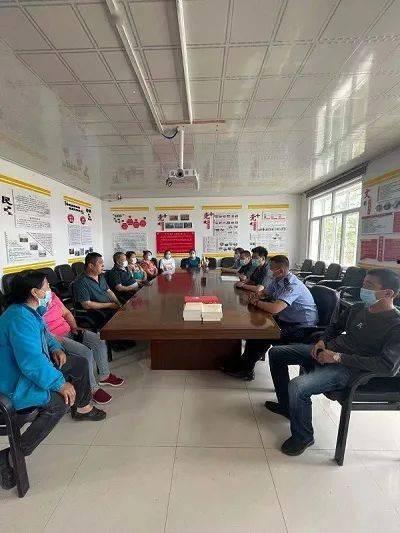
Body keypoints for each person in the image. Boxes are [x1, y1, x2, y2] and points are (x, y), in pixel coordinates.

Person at [266, 268, 400, 457]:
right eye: (363, 284)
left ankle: (303, 437)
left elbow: (387, 366)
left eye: (369, 286)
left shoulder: (395, 324)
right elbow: (334, 327)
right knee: (276, 353)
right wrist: (322, 341)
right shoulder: (358, 308)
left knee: (298, 386)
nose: (363, 289)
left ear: (388, 293)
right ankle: (286, 406)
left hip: (351, 369)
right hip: (328, 351)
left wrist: (338, 357)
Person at [0, 271, 106, 490]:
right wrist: (59, 383)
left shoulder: (30, 311)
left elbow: (46, 334)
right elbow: (31, 363)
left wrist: (56, 347)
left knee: (77, 363)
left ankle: (83, 407)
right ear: (35, 292)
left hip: (34, 366)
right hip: (15, 381)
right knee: (58, 404)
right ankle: (11, 455)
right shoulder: (19, 318)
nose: (50, 290)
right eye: (47, 287)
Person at [223, 255, 318, 381]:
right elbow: (264, 292)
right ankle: (244, 363)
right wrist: (256, 296)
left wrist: (256, 302)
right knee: (256, 328)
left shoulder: (293, 285)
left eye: (272, 269)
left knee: (262, 334)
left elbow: (275, 308)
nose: (269, 271)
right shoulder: (278, 279)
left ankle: (246, 370)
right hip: (287, 320)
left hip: (302, 328)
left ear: (281, 270)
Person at [43, 291, 124, 404]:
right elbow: (42, 331)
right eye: (45, 285)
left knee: (98, 340)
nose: (48, 287)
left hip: (69, 330)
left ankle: (104, 376)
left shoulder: (51, 295)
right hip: (56, 339)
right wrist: (56, 340)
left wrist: (74, 327)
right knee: (85, 353)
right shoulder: (33, 307)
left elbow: (66, 313)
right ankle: (92, 389)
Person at [72, 252, 122, 328]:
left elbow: (109, 291)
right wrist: (110, 305)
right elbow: (87, 305)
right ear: (91, 266)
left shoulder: (100, 276)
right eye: (100, 263)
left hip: (110, 308)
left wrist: (118, 303)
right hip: (98, 312)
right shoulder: (81, 281)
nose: (103, 265)